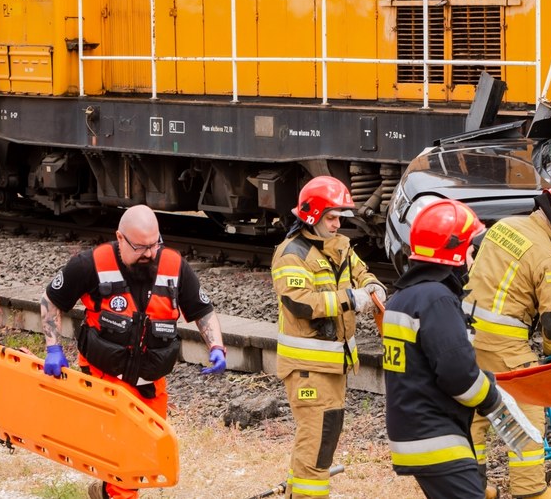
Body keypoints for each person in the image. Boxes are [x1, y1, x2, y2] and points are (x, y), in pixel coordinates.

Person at [39, 205, 226, 499]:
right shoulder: (92, 264)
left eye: (154, 245)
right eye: (140, 247)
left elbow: (203, 311)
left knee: (149, 453)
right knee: (125, 454)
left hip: (151, 381)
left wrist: (216, 345)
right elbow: (51, 300)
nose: (149, 254)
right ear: (120, 238)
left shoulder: (174, 267)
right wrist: (53, 348)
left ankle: (105, 490)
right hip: (105, 375)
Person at [384, 199, 530, 499]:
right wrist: (492, 398)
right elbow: (458, 375)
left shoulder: (402, 298)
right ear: (456, 252)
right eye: (471, 250)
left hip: (414, 431)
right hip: (436, 435)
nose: (473, 258)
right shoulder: (437, 299)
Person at [465, 180, 551, 499]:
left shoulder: (505, 225)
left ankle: (471, 487)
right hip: (504, 342)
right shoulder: (548, 259)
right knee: (527, 413)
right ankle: (532, 492)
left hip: (466, 332)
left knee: (476, 410)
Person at [271, 176, 388, 498]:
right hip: (309, 369)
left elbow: (360, 271)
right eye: (332, 217)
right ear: (312, 216)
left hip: (332, 365)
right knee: (318, 443)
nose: (338, 224)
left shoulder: (340, 246)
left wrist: (373, 285)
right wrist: (352, 298)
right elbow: (299, 302)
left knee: (319, 438)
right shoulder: (291, 254)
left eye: (340, 217)